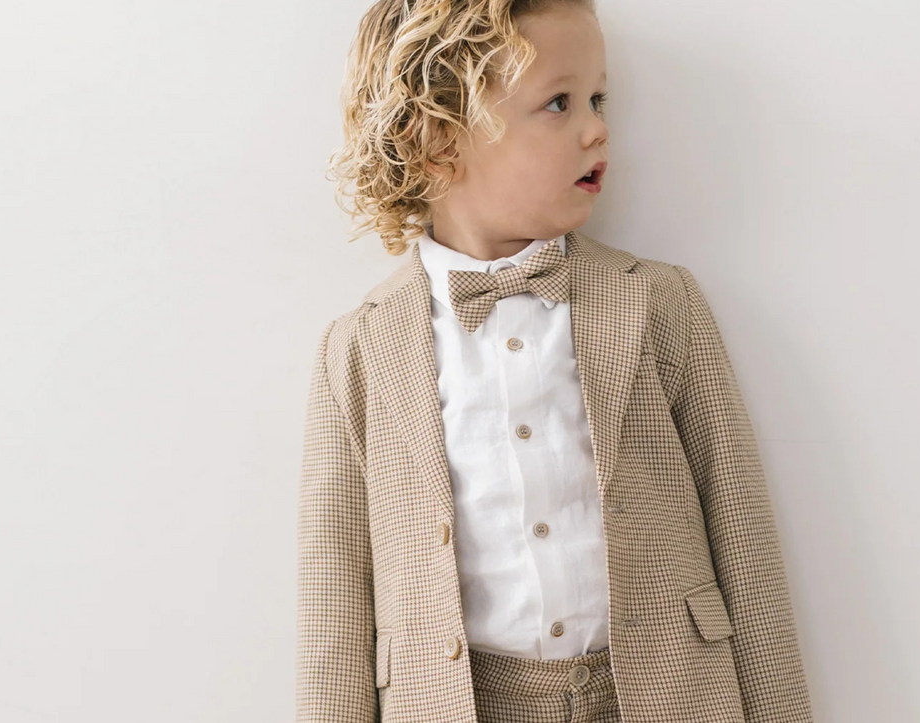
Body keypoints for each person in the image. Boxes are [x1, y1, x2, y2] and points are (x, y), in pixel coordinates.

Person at [297, 1, 815, 721]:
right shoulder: (357, 349)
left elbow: (743, 540)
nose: (597, 128)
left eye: (599, 98)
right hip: (463, 701)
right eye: (558, 103)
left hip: (664, 692)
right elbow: (334, 608)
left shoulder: (660, 303)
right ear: (439, 138)